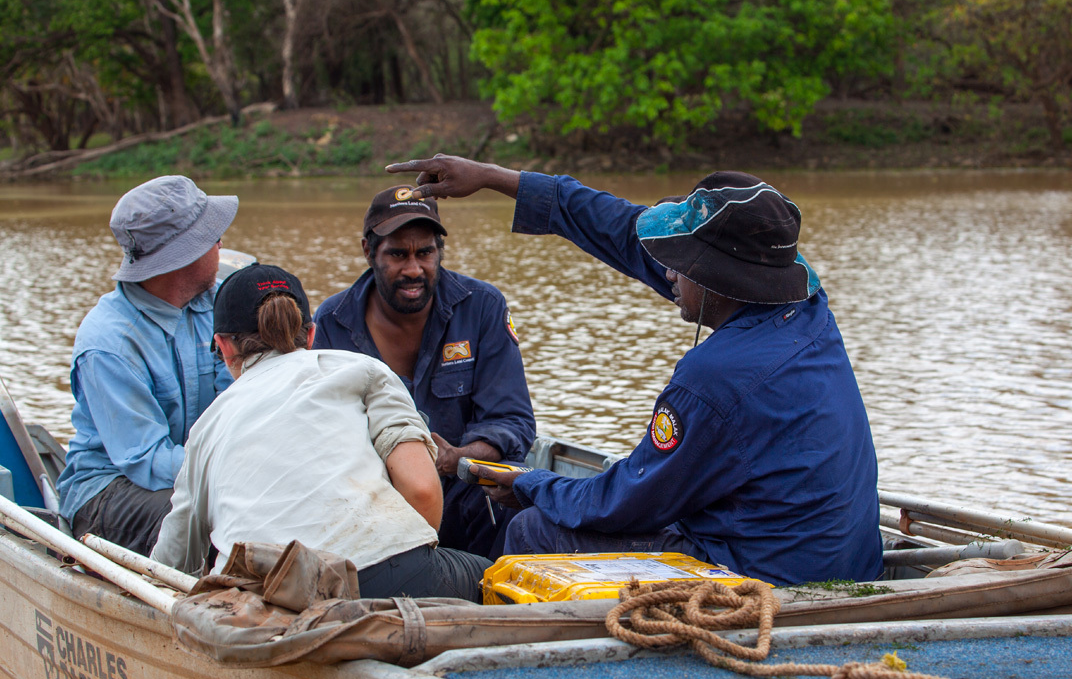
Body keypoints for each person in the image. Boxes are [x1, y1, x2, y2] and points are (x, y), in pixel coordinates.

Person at [384, 155, 884, 586]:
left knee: (530, 531)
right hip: (846, 561)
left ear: (715, 278)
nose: (665, 271)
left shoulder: (713, 379)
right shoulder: (805, 306)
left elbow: (626, 502)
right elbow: (623, 231)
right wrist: (495, 177)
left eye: (679, 260)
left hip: (764, 578)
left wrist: (532, 484)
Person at [150, 263, 492, 601]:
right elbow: (421, 491)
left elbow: (174, 558)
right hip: (383, 575)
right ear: (311, 335)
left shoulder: (207, 425)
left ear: (223, 346)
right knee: (487, 576)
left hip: (261, 601)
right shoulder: (363, 370)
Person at [313, 186, 536, 559]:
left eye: (425, 253)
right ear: (369, 252)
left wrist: (456, 457)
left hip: (460, 489)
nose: (413, 269)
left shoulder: (481, 306)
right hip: (371, 497)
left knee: (511, 492)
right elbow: (319, 434)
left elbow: (512, 421)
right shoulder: (332, 323)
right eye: (398, 255)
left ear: (439, 252)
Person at [56, 176, 237, 556]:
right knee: (214, 521)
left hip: (204, 470)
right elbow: (147, 461)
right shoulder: (109, 344)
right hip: (110, 490)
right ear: (182, 255)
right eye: (211, 236)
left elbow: (243, 395)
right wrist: (241, 472)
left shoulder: (218, 301)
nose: (221, 243)